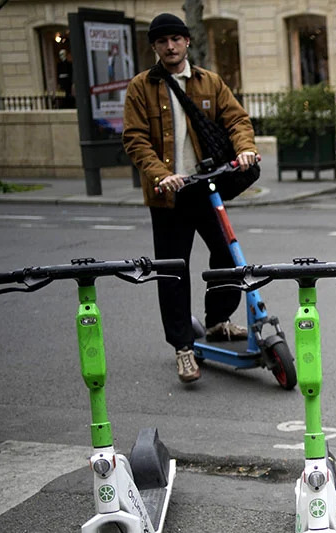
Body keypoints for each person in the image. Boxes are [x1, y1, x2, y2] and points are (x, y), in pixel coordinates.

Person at [122, 12, 258, 383]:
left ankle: (216, 322)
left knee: (228, 255)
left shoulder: (208, 82)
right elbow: (134, 139)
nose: (170, 46)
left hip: (205, 188)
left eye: (176, 39)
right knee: (173, 271)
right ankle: (183, 347)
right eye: (162, 41)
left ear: (186, 42)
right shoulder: (141, 87)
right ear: (154, 47)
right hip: (169, 196)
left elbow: (237, 120)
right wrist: (161, 175)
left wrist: (244, 149)